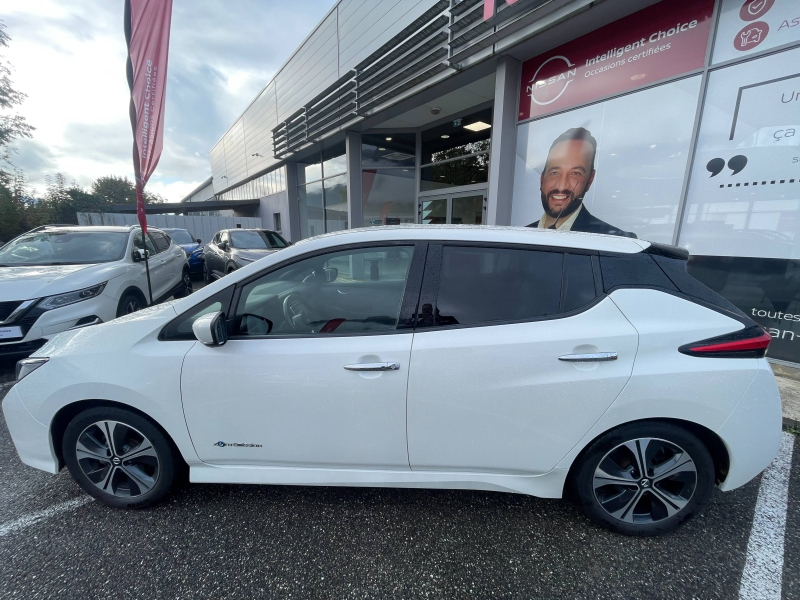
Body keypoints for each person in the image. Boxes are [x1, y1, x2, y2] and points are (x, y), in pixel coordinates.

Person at [526, 127, 636, 238]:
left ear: (590, 180)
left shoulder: (617, 242)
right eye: (554, 172)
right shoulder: (519, 237)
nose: (562, 185)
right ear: (542, 179)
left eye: (575, 173)